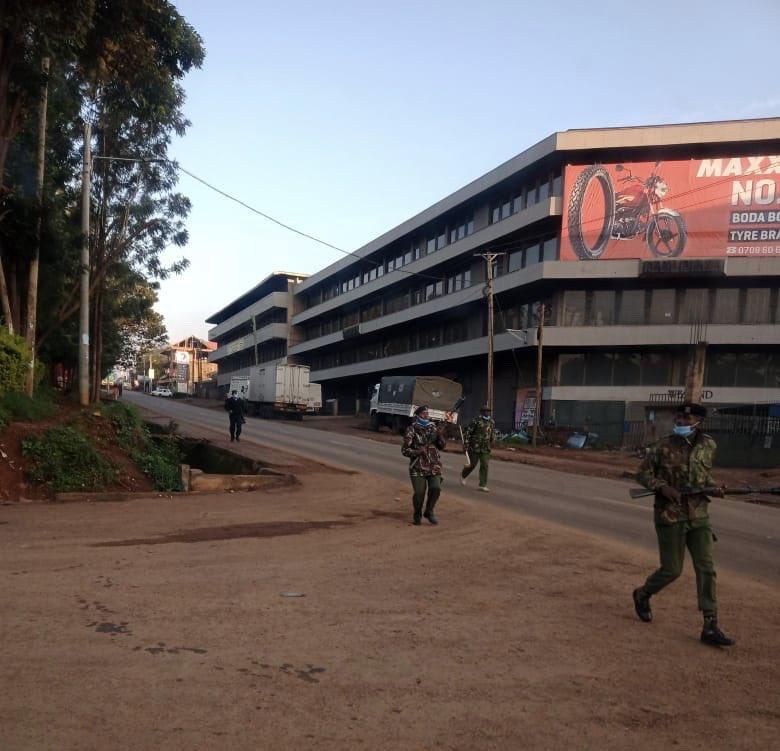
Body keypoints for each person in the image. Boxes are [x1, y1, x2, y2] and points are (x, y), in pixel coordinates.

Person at [632, 402, 734, 647]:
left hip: (699, 515)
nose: (681, 422)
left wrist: (714, 488)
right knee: (672, 570)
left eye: (686, 420)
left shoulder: (709, 445)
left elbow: (703, 476)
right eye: (679, 418)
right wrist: (662, 487)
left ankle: (710, 624)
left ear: (698, 422)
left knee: (706, 567)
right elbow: (642, 474)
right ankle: (643, 594)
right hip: (670, 515)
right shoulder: (661, 446)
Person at [401, 405, 447, 525]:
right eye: (423, 414)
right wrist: (417, 452)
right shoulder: (412, 429)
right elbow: (405, 450)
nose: (426, 415)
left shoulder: (434, 428)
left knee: (436, 488)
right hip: (418, 466)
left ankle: (429, 511)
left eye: (427, 413)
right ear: (418, 415)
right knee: (419, 493)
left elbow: (442, 446)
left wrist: (440, 435)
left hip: (434, 465)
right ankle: (417, 513)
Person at [460, 404, 496, 492]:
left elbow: (492, 432)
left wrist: (493, 440)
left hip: (485, 447)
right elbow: (468, 432)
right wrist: (466, 444)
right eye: (485, 411)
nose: (487, 412)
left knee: (485, 465)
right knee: (472, 464)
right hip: (474, 446)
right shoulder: (476, 421)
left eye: (488, 411)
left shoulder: (491, 422)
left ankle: (482, 485)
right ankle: (463, 475)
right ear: (481, 412)